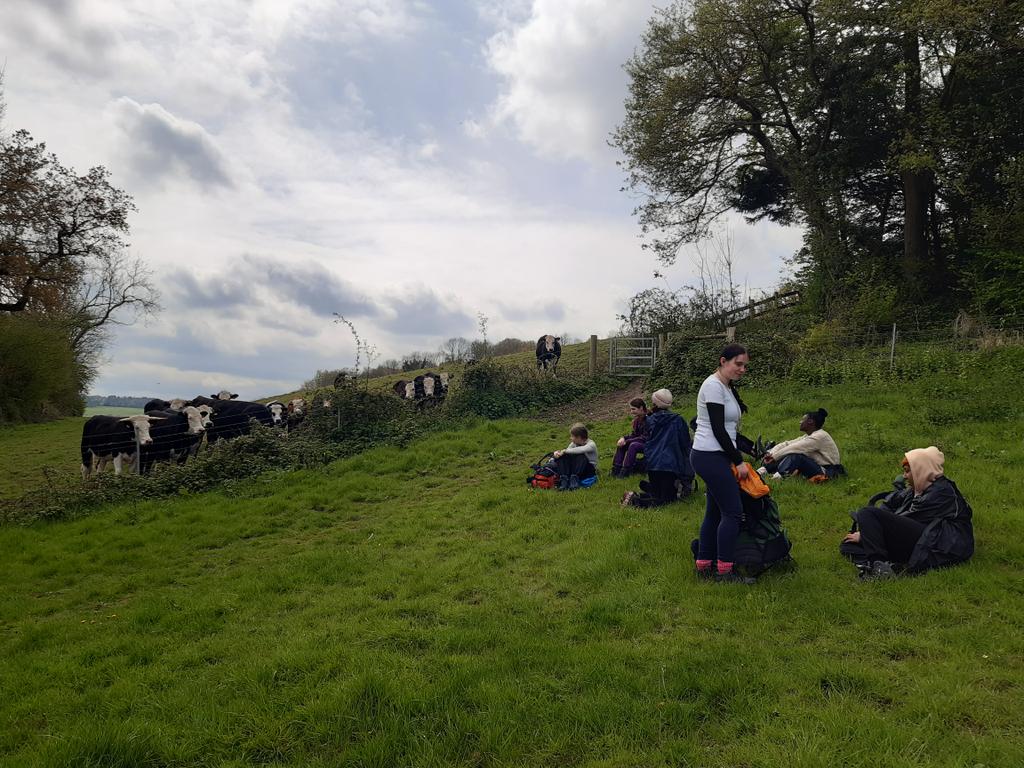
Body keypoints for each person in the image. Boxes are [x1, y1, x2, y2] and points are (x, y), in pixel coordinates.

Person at [841, 446, 973, 579]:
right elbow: (890, 503)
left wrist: (867, 533)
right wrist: (871, 530)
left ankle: (878, 567)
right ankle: (887, 565)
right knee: (848, 546)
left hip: (940, 542)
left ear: (920, 471)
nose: (904, 476)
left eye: (907, 471)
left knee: (867, 513)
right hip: (921, 537)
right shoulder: (917, 488)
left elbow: (907, 517)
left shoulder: (941, 492)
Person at [691, 344, 753, 584]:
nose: (742, 369)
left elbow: (729, 429)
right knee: (733, 513)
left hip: (714, 455)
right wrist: (738, 461)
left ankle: (704, 565)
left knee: (715, 512)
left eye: (745, 365)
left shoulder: (725, 386)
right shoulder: (713, 386)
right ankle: (725, 572)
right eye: (738, 364)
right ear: (723, 361)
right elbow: (718, 429)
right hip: (709, 456)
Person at [621, 389, 694, 508]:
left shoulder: (650, 420)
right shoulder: (678, 420)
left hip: (653, 463)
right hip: (670, 465)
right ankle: (634, 501)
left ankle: (638, 494)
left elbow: (648, 440)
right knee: (668, 500)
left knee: (657, 494)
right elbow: (685, 443)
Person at [760, 408, 844, 482]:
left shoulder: (820, 436)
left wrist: (773, 457)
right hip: (817, 467)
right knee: (786, 452)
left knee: (796, 456)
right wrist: (771, 453)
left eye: (803, 419)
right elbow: (787, 444)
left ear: (810, 421)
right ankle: (759, 473)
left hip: (826, 471)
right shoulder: (809, 436)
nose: (800, 422)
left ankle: (776, 479)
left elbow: (794, 448)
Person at [547, 423, 598, 490]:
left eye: (572, 436)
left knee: (580, 455)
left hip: (588, 469)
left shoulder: (591, 444)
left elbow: (581, 450)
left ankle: (574, 481)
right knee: (564, 456)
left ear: (579, 437)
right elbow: (567, 451)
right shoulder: (574, 443)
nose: (571, 438)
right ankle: (564, 480)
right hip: (577, 468)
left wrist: (564, 451)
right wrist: (556, 455)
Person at [611, 398, 649, 477]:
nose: (631, 412)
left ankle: (626, 471)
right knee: (622, 445)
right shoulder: (637, 421)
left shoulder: (649, 419)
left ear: (641, 408)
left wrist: (628, 441)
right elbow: (634, 435)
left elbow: (645, 437)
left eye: (633, 409)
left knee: (633, 445)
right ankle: (616, 470)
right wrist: (623, 438)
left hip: (650, 444)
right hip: (640, 442)